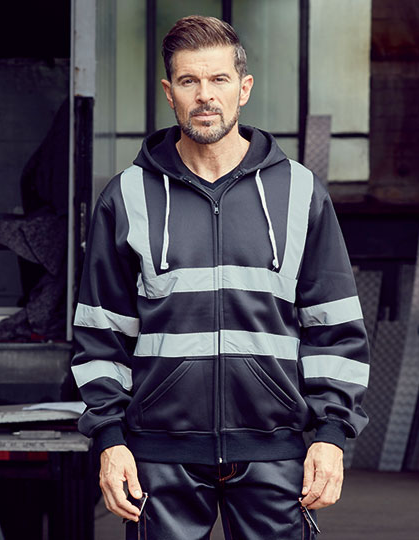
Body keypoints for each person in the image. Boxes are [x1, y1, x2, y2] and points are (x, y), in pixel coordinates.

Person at [71, 15, 369, 539]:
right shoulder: (128, 196)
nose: (205, 95)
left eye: (219, 79)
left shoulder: (299, 192)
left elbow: (335, 327)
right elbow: (101, 335)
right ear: (169, 92)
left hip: (274, 453)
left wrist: (330, 433)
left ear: (243, 88)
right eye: (189, 80)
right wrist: (110, 440)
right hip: (159, 458)